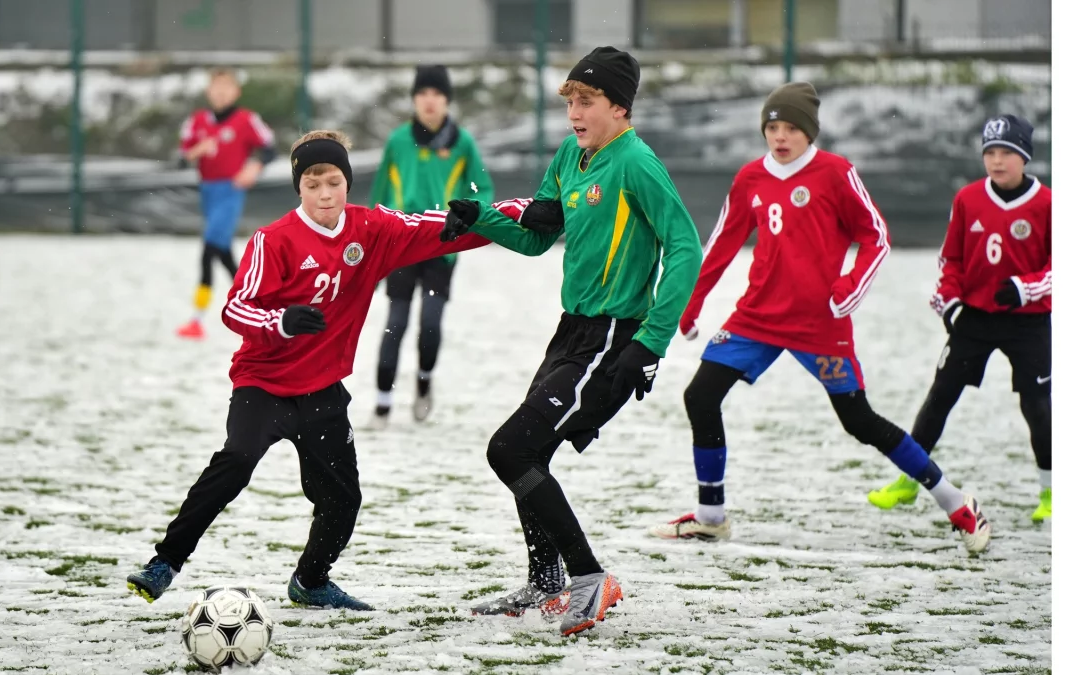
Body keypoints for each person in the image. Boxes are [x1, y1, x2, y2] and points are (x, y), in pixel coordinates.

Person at [126, 130, 534, 609]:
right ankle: (165, 563)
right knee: (236, 460)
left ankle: (311, 581)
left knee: (344, 499)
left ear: (348, 183)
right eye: (313, 183)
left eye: (334, 182)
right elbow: (235, 308)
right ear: (299, 187)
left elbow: (440, 227)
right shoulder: (272, 241)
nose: (325, 194)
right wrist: (280, 320)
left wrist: (528, 210)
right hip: (265, 385)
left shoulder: (371, 230)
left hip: (322, 390)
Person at [645, 82, 992, 556]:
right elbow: (721, 245)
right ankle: (710, 517)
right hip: (756, 319)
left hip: (819, 326)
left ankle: (957, 503)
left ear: (810, 133)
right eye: (773, 126)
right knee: (700, 396)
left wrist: (847, 290)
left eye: (791, 128)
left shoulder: (835, 173)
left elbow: (876, 236)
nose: (781, 136)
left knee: (859, 422)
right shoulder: (750, 178)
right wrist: (691, 304)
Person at [439, 46, 704, 636]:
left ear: (619, 106)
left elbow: (686, 247)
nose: (574, 113)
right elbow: (539, 236)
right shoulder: (570, 155)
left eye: (586, 101)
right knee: (527, 454)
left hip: (615, 336)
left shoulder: (636, 163)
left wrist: (651, 342)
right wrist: (479, 216)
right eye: (570, 102)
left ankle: (589, 578)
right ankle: (546, 583)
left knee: (511, 450)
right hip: (572, 331)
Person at [868, 114, 1052, 521]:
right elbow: (951, 259)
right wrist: (949, 301)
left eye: (1006, 152)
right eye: (990, 152)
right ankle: (908, 481)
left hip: (1028, 323)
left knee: (1037, 406)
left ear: (1025, 158)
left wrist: (1026, 287)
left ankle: (1051, 492)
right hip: (975, 318)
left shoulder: (1047, 204)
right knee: (939, 398)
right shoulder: (968, 199)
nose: (997, 161)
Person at [368, 64, 495, 426]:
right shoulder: (397, 141)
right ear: (413, 99)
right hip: (401, 244)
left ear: (447, 100)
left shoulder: (463, 142)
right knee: (395, 321)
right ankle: (381, 404)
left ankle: (424, 383)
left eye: (437, 94)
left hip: (442, 243)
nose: (429, 100)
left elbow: (483, 188)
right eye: (422, 93)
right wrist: (371, 241)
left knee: (431, 323)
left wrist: (469, 213)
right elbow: (379, 193)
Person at [175, 68, 277, 340]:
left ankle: (197, 320)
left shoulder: (246, 120)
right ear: (209, 91)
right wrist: (197, 151)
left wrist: (253, 168)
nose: (220, 92)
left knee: (209, 250)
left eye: (226, 87)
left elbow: (270, 149)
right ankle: (257, 306)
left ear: (236, 92)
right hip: (207, 192)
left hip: (230, 192)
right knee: (223, 253)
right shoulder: (197, 121)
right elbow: (181, 158)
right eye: (216, 87)